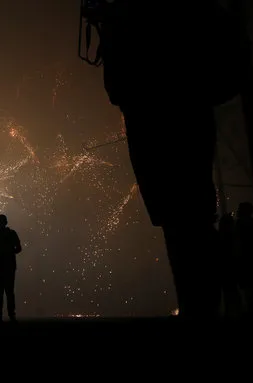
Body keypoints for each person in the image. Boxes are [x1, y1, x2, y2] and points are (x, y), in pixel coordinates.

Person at [96, 0, 241, 318]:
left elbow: (116, 86)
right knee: (187, 220)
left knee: (183, 222)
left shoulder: (135, 23)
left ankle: (201, 307)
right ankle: (203, 306)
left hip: (161, 119)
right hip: (181, 117)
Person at [0, 214, 22, 323]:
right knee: (9, 292)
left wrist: (1, 252)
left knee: (0, 292)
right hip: (8, 266)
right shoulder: (11, 234)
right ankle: (11, 315)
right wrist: (10, 252)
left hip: (0, 266)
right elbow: (19, 248)